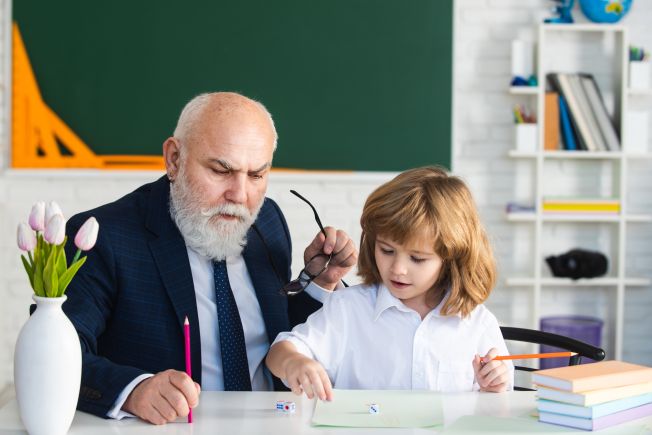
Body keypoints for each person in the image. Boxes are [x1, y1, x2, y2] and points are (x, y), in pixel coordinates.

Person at [62, 92, 357, 424]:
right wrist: (133, 391)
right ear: (174, 159)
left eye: (257, 175)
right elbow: (58, 353)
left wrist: (318, 283)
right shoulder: (104, 237)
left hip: (273, 424)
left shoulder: (268, 220)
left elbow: (282, 329)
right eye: (220, 170)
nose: (240, 195)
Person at [266, 166, 514, 401]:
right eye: (386, 250)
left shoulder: (477, 324)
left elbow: (498, 404)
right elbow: (280, 351)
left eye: (417, 258)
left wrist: (493, 386)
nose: (397, 269)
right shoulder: (348, 308)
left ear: (452, 258)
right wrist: (293, 362)